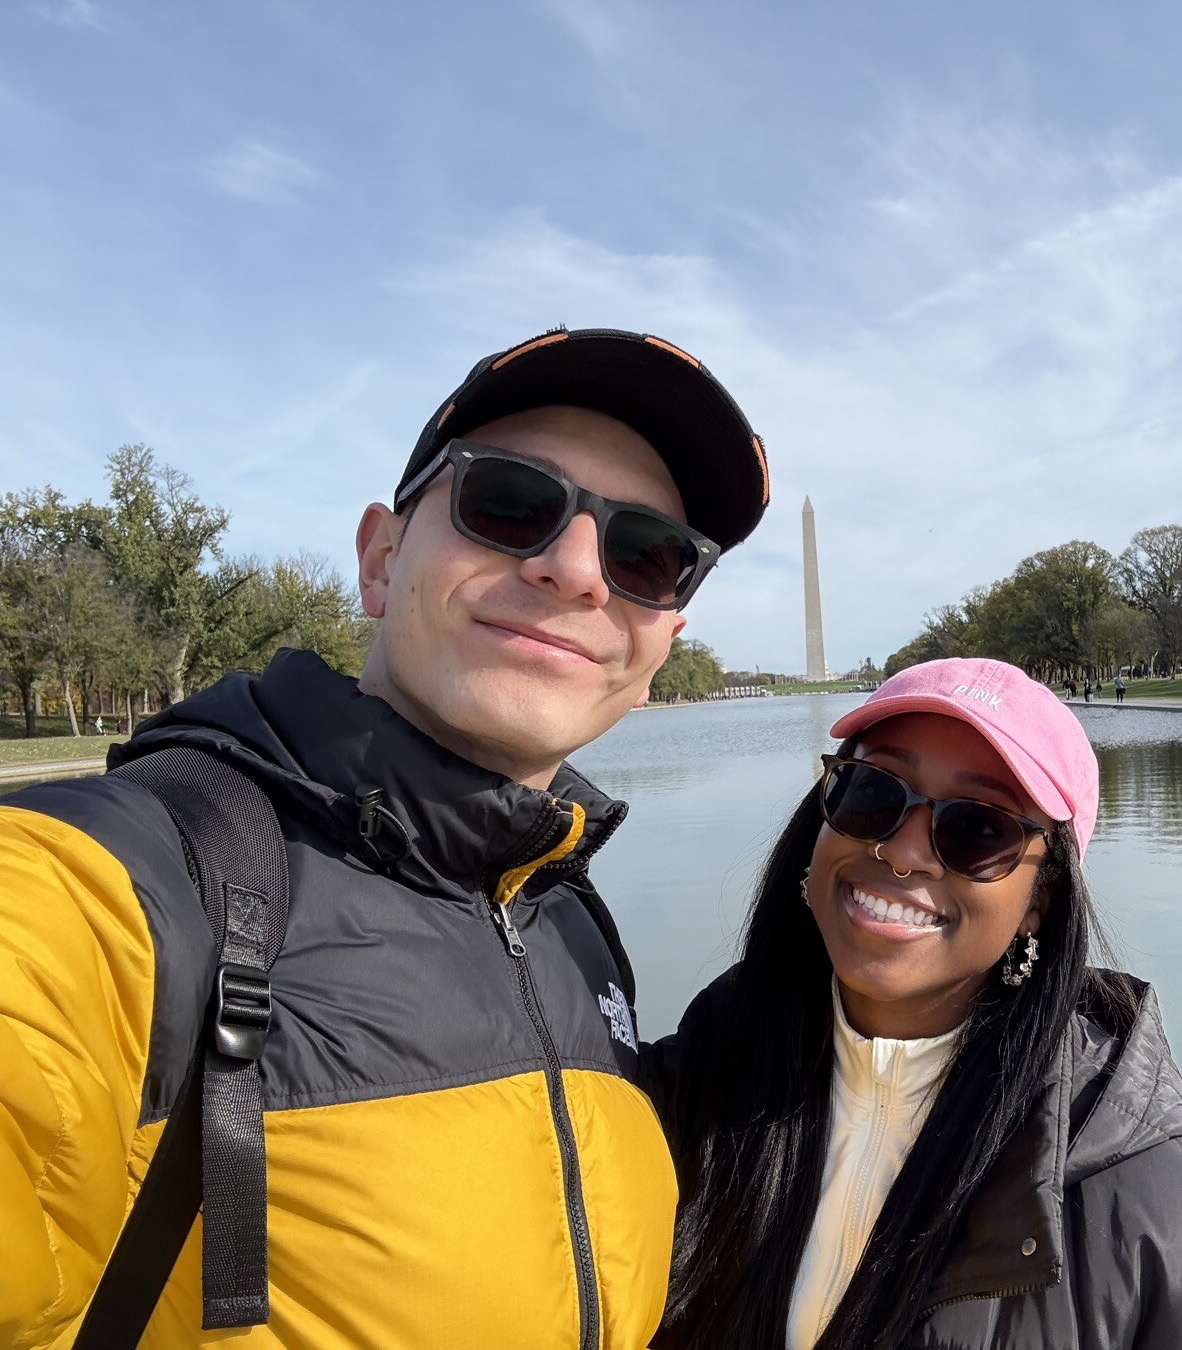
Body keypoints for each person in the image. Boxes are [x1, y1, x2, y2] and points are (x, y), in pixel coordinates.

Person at [0, 328, 769, 1346]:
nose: (579, 570)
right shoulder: (120, 882)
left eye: (648, 555)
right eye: (509, 502)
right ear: (381, 556)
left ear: (660, 648)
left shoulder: (568, 917)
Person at [640, 659, 1182, 1350]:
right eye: (872, 791)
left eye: (978, 829)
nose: (905, 852)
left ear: (1039, 902)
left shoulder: (1157, 1197)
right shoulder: (688, 1080)